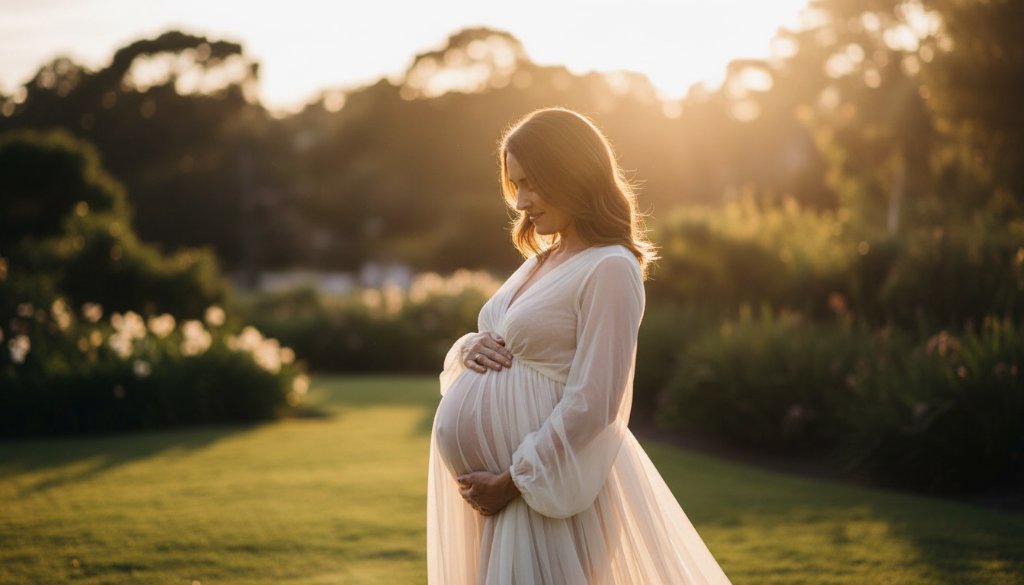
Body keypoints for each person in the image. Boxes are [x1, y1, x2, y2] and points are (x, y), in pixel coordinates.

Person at [427, 107, 732, 584]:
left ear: (571, 174)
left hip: (543, 491)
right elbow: (506, 340)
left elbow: (596, 401)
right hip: (502, 495)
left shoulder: (610, 266)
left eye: (531, 183)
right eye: (515, 186)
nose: (522, 201)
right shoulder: (544, 258)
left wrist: (512, 481)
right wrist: (469, 347)